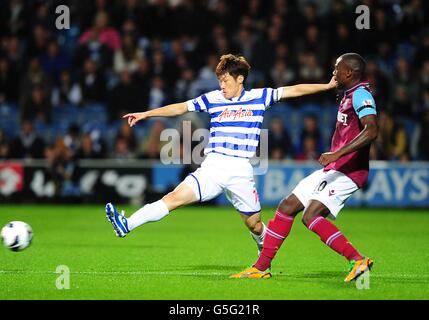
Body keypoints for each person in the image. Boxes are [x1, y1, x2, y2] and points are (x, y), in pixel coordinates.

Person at [105, 54, 336, 256]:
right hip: (213, 167)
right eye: (219, 80)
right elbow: (181, 107)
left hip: (240, 170)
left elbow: (293, 90)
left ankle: (264, 248)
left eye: (225, 80)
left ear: (240, 79)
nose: (221, 85)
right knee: (173, 198)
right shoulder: (213, 99)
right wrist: (147, 114)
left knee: (255, 225)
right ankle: (127, 224)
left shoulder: (260, 96)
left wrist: (326, 86)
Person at [231, 53, 378, 282]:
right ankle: (261, 267)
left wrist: (337, 153)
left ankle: (358, 260)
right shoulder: (349, 95)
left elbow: (371, 130)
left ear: (349, 73)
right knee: (288, 205)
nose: (334, 72)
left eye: (337, 68)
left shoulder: (360, 94)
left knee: (310, 216)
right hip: (336, 167)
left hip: (349, 170)